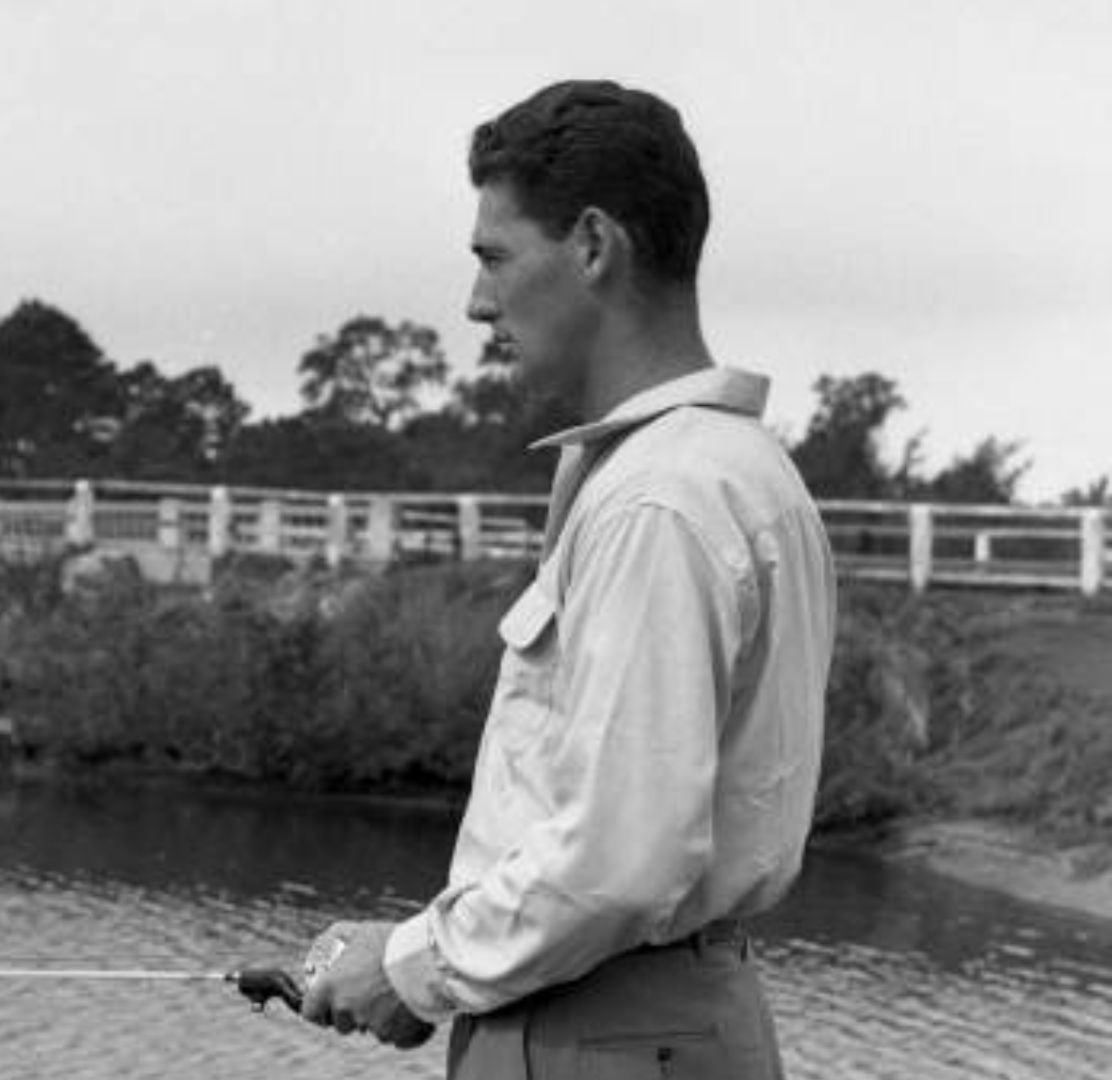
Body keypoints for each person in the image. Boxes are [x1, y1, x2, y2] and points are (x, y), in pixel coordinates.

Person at [298, 79, 837, 1079]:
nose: (476, 302)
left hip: (603, 1035)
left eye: (495, 256)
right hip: (652, 1022)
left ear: (592, 245)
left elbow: (618, 861)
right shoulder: (727, 470)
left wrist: (409, 967)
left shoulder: (659, 500)